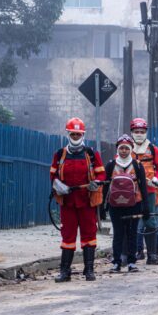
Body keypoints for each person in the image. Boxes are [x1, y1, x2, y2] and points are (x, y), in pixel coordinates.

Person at [50, 117, 105, 283]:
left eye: (78, 134)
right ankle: (64, 272)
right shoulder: (60, 154)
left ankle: (89, 270)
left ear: (83, 134)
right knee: (68, 236)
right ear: (68, 134)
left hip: (87, 200)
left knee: (89, 234)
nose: (75, 137)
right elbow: (53, 175)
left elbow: (101, 173)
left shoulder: (91, 154)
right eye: (73, 134)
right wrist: (57, 185)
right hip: (67, 202)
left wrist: (96, 183)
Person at [103, 135, 149, 273]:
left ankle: (131, 262)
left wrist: (145, 205)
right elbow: (105, 186)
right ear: (118, 149)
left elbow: (143, 186)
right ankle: (116, 262)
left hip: (134, 204)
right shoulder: (111, 165)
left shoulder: (137, 165)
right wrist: (102, 205)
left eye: (126, 148)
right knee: (118, 233)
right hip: (115, 206)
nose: (123, 151)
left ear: (131, 149)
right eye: (121, 148)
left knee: (132, 233)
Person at [130, 118, 158, 265]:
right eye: (136, 132)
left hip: (149, 190)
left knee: (149, 220)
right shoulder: (125, 147)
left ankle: (152, 254)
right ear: (132, 132)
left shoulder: (152, 149)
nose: (139, 134)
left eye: (142, 132)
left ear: (146, 132)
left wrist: (157, 178)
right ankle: (129, 255)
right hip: (130, 191)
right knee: (130, 221)